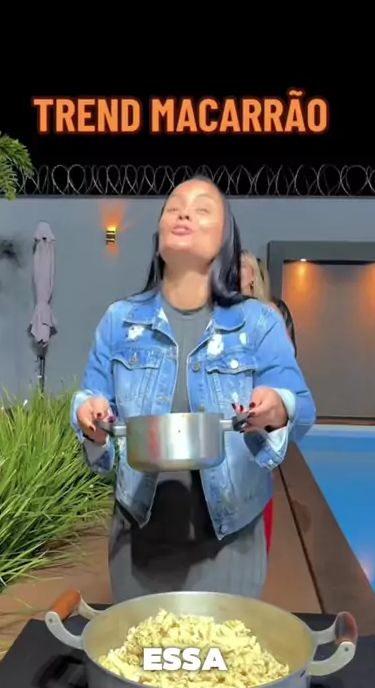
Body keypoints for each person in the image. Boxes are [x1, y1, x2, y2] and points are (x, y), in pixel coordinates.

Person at [72, 178, 316, 602]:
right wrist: (90, 418)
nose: (184, 212)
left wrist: (277, 407)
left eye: (203, 208)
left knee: (225, 646)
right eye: (174, 207)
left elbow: (303, 409)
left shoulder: (259, 323)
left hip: (230, 542)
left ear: (225, 239)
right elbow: (91, 400)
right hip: (138, 541)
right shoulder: (119, 321)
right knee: (143, 646)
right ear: (159, 237)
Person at [240, 251, 298, 555]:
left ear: (253, 276)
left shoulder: (268, 313)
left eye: (240, 267)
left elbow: (283, 366)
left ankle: (255, 553)